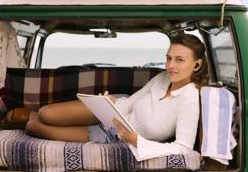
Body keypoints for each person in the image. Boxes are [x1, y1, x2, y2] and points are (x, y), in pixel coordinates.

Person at [26, 34, 209, 161]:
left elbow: (183, 147)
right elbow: (129, 103)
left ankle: (23, 116)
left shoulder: (190, 99)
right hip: (113, 112)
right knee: (46, 114)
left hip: (113, 136)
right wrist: (109, 104)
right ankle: (27, 113)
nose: (170, 66)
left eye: (179, 60)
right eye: (168, 58)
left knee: (33, 126)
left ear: (197, 64)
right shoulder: (162, 78)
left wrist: (137, 141)